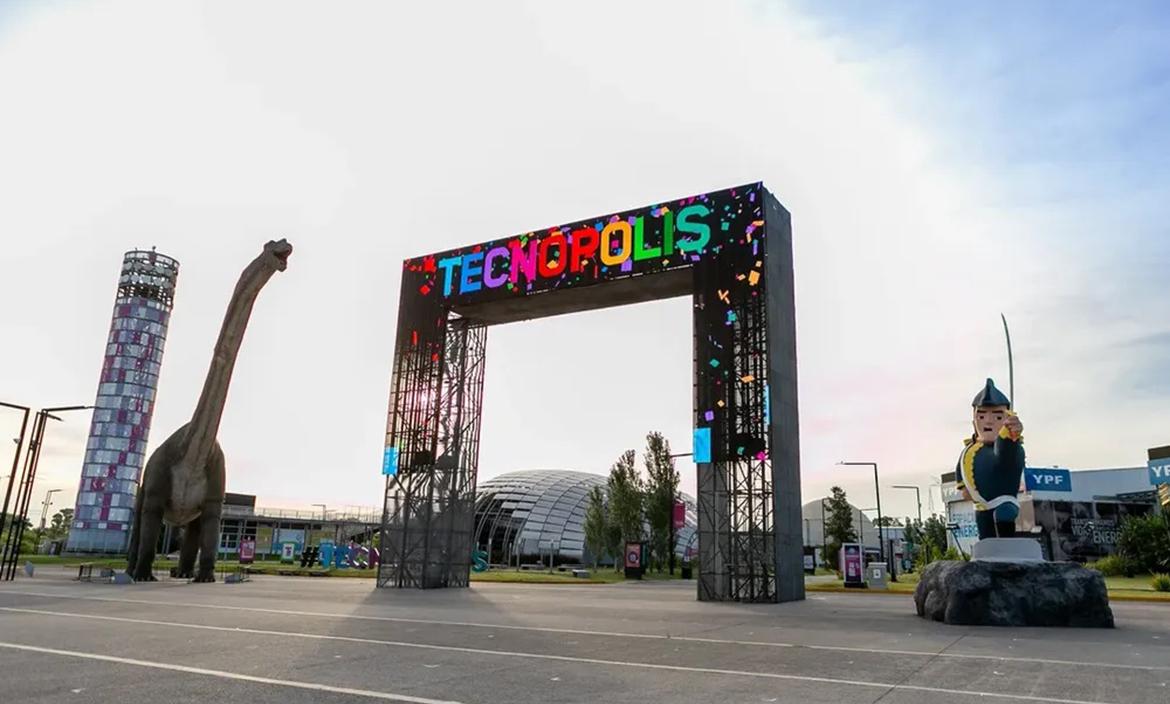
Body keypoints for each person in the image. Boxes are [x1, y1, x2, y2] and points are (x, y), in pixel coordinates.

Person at [955, 378, 1025, 539]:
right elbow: (961, 472)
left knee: (1004, 520)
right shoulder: (968, 450)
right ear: (974, 420)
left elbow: (1005, 452)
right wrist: (964, 488)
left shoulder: (1011, 447)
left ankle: (1008, 546)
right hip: (981, 508)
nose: (988, 421)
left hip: (1003, 504)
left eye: (998, 417)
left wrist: (1010, 432)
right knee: (986, 540)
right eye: (981, 416)